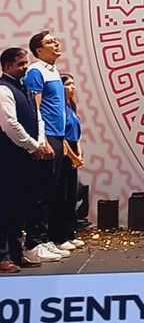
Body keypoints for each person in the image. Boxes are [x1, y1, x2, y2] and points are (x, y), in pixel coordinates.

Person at [0, 48, 53, 272]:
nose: (25, 67)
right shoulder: (4, 89)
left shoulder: (26, 88)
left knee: (20, 206)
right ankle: (2, 256)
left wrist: (39, 142)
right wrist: (32, 146)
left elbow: (37, 117)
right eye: (20, 64)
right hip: (9, 157)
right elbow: (9, 124)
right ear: (7, 66)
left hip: (27, 157)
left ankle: (16, 252)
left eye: (26, 63)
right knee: (5, 206)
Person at [23, 31, 70, 260]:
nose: (56, 43)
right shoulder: (35, 71)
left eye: (55, 40)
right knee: (40, 191)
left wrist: (63, 140)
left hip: (57, 136)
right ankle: (33, 243)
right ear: (39, 50)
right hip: (46, 135)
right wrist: (41, 139)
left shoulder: (53, 71)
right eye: (50, 42)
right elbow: (35, 107)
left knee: (52, 189)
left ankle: (46, 238)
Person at [52, 74, 85, 251]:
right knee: (61, 195)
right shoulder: (59, 108)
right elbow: (61, 135)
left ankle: (70, 232)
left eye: (73, 84)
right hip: (64, 152)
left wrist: (79, 153)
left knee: (72, 194)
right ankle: (59, 235)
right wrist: (72, 156)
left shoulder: (71, 107)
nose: (72, 87)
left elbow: (76, 134)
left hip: (73, 150)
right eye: (68, 84)